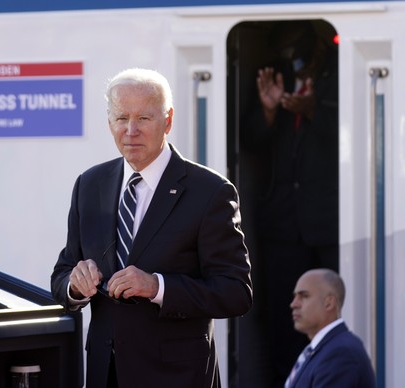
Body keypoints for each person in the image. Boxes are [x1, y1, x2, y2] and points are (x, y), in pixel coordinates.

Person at [51, 68, 253, 388]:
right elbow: (63, 273)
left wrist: (157, 287)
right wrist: (75, 286)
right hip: (106, 374)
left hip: (177, 377)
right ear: (109, 123)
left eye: (144, 118)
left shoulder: (210, 191)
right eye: (121, 118)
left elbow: (235, 293)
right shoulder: (89, 184)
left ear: (168, 121)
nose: (131, 130)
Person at [242, 21, 339, 386]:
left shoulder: (340, 74)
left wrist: (315, 110)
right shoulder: (276, 78)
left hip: (332, 223)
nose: (293, 58)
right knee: (286, 318)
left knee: (334, 311)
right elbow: (251, 140)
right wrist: (267, 111)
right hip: (282, 224)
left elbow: (362, 131)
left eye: (296, 48)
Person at [285, 268, 376, 387]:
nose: (293, 304)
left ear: (329, 303)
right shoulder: (321, 349)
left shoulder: (341, 352)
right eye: (295, 296)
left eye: (304, 296)